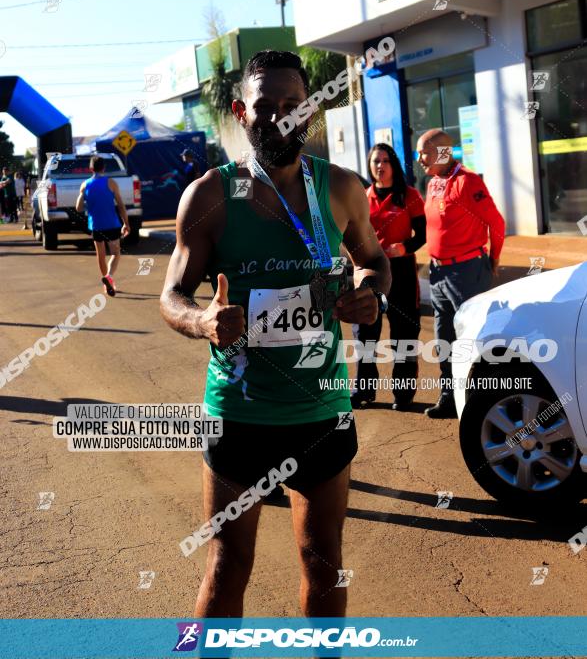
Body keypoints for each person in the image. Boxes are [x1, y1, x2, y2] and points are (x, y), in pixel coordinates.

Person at [160, 49, 390, 620]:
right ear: (242, 111)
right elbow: (171, 295)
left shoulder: (340, 188)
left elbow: (374, 260)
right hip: (238, 411)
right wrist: (202, 321)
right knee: (228, 562)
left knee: (323, 559)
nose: (281, 118)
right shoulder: (211, 195)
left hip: (321, 411)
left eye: (294, 105)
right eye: (266, 107)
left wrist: (370, 292)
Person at [417, 128, 506, 418]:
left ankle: (484, 400)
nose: (419, 158)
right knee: (444, 340)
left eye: (425, 152)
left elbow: (497, 223)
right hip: (439, 274)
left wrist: (493, 260)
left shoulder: (468, 182)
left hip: (466, 271)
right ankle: (449, 399)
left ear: (443, 152)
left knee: (474, 337)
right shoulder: (433, 183)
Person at [352, 143, 426, 410]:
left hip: (402, 273)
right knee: (365, 334)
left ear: (393, 164)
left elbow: (423, 236)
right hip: (371, 273)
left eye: (385, 161)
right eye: (375, 162)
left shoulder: (410, 196)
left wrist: (404, 247)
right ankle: (364, 390)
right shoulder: (362, 196)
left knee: (404, 334)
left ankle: (403, 394)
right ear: (370, 167)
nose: (380, 166)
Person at [75, 155, 130, 297]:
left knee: (101, 255)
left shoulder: (85, 184)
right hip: (111, 224)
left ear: (91, 168)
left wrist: (87, 201)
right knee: (115, 253)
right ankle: (109, 276)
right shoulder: (111, 182)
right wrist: (126, 224)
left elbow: (78, 208)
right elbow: (121, 205)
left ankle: (107, 284)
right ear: (104, 167)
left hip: (96, 225)